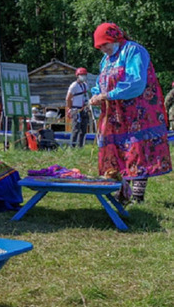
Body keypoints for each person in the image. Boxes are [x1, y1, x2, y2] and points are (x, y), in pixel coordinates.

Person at [88, 22, 171, 203]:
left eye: (105, 44)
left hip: (138, 112)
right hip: (116, 114)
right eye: (99, 46)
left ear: (115, 38)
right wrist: (96, 95)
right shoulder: (106, 59)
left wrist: (108, 95)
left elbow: (136, 82)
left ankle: (137, 197)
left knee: (137, 151)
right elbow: (100, 82)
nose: (103, 49)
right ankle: (122, 193)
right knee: (118, 152)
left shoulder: (134, 51)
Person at [65, 67, 90, 148]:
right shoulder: (74, 86)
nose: (83, 76)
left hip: (83, 108)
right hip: (75, 109)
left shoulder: (85, 85)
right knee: (76, 128)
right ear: (77, 75)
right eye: (81, 75)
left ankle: (80, 146)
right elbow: (68, 98)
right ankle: (72, 146)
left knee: (83, 128)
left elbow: (86, 96)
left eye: (84, 75)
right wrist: (70, 108)